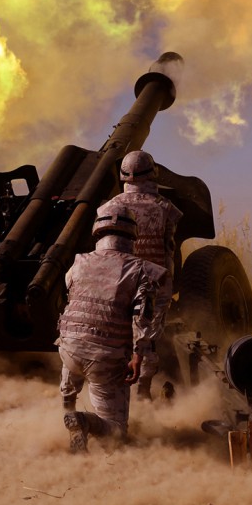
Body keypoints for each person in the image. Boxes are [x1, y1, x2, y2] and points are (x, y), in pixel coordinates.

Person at [57, 203, 167, 453]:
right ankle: (84, 421)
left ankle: (67, 411)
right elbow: (143, 317)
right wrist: (139, 354)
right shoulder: (141, 269)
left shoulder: (78, 263)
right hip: (105, 357)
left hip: (69, 350)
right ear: (132, 235)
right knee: (116, 430)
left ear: (98, 232)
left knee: (72, 367)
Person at [109, 150, 182, 400]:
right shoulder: (164, 208)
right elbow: (169, 248)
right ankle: (142, 392)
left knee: (119, 335)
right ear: (153, 173)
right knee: (147, 339)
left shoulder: (110, 207)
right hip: (154, 282)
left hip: (119, 281)